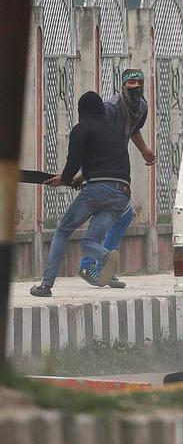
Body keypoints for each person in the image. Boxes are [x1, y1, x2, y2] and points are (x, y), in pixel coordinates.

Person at [29, 92, 132, 297]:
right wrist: (79, 178)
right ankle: (105, 255)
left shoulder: (81, 128)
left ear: (81, 111)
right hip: (122, 193)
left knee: (63, 231)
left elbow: (73, 162)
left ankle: (46, 285)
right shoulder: (114, 131)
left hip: (98, 189)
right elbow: (108, 161)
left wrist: (64, 179)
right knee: (89, 243)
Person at [78, 68, 155, 288]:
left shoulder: (142, 107)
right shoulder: (110, 108)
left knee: (121, 215)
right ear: (123, 86)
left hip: (114, 166)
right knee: (113, 213)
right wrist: (85, 172)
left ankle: (101, 266)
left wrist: (144, 151)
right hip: (99, 164)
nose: (136, 87)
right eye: (131, 83)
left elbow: (133, 130)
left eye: (139, 83)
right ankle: (90, 265)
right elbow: (91, 137)